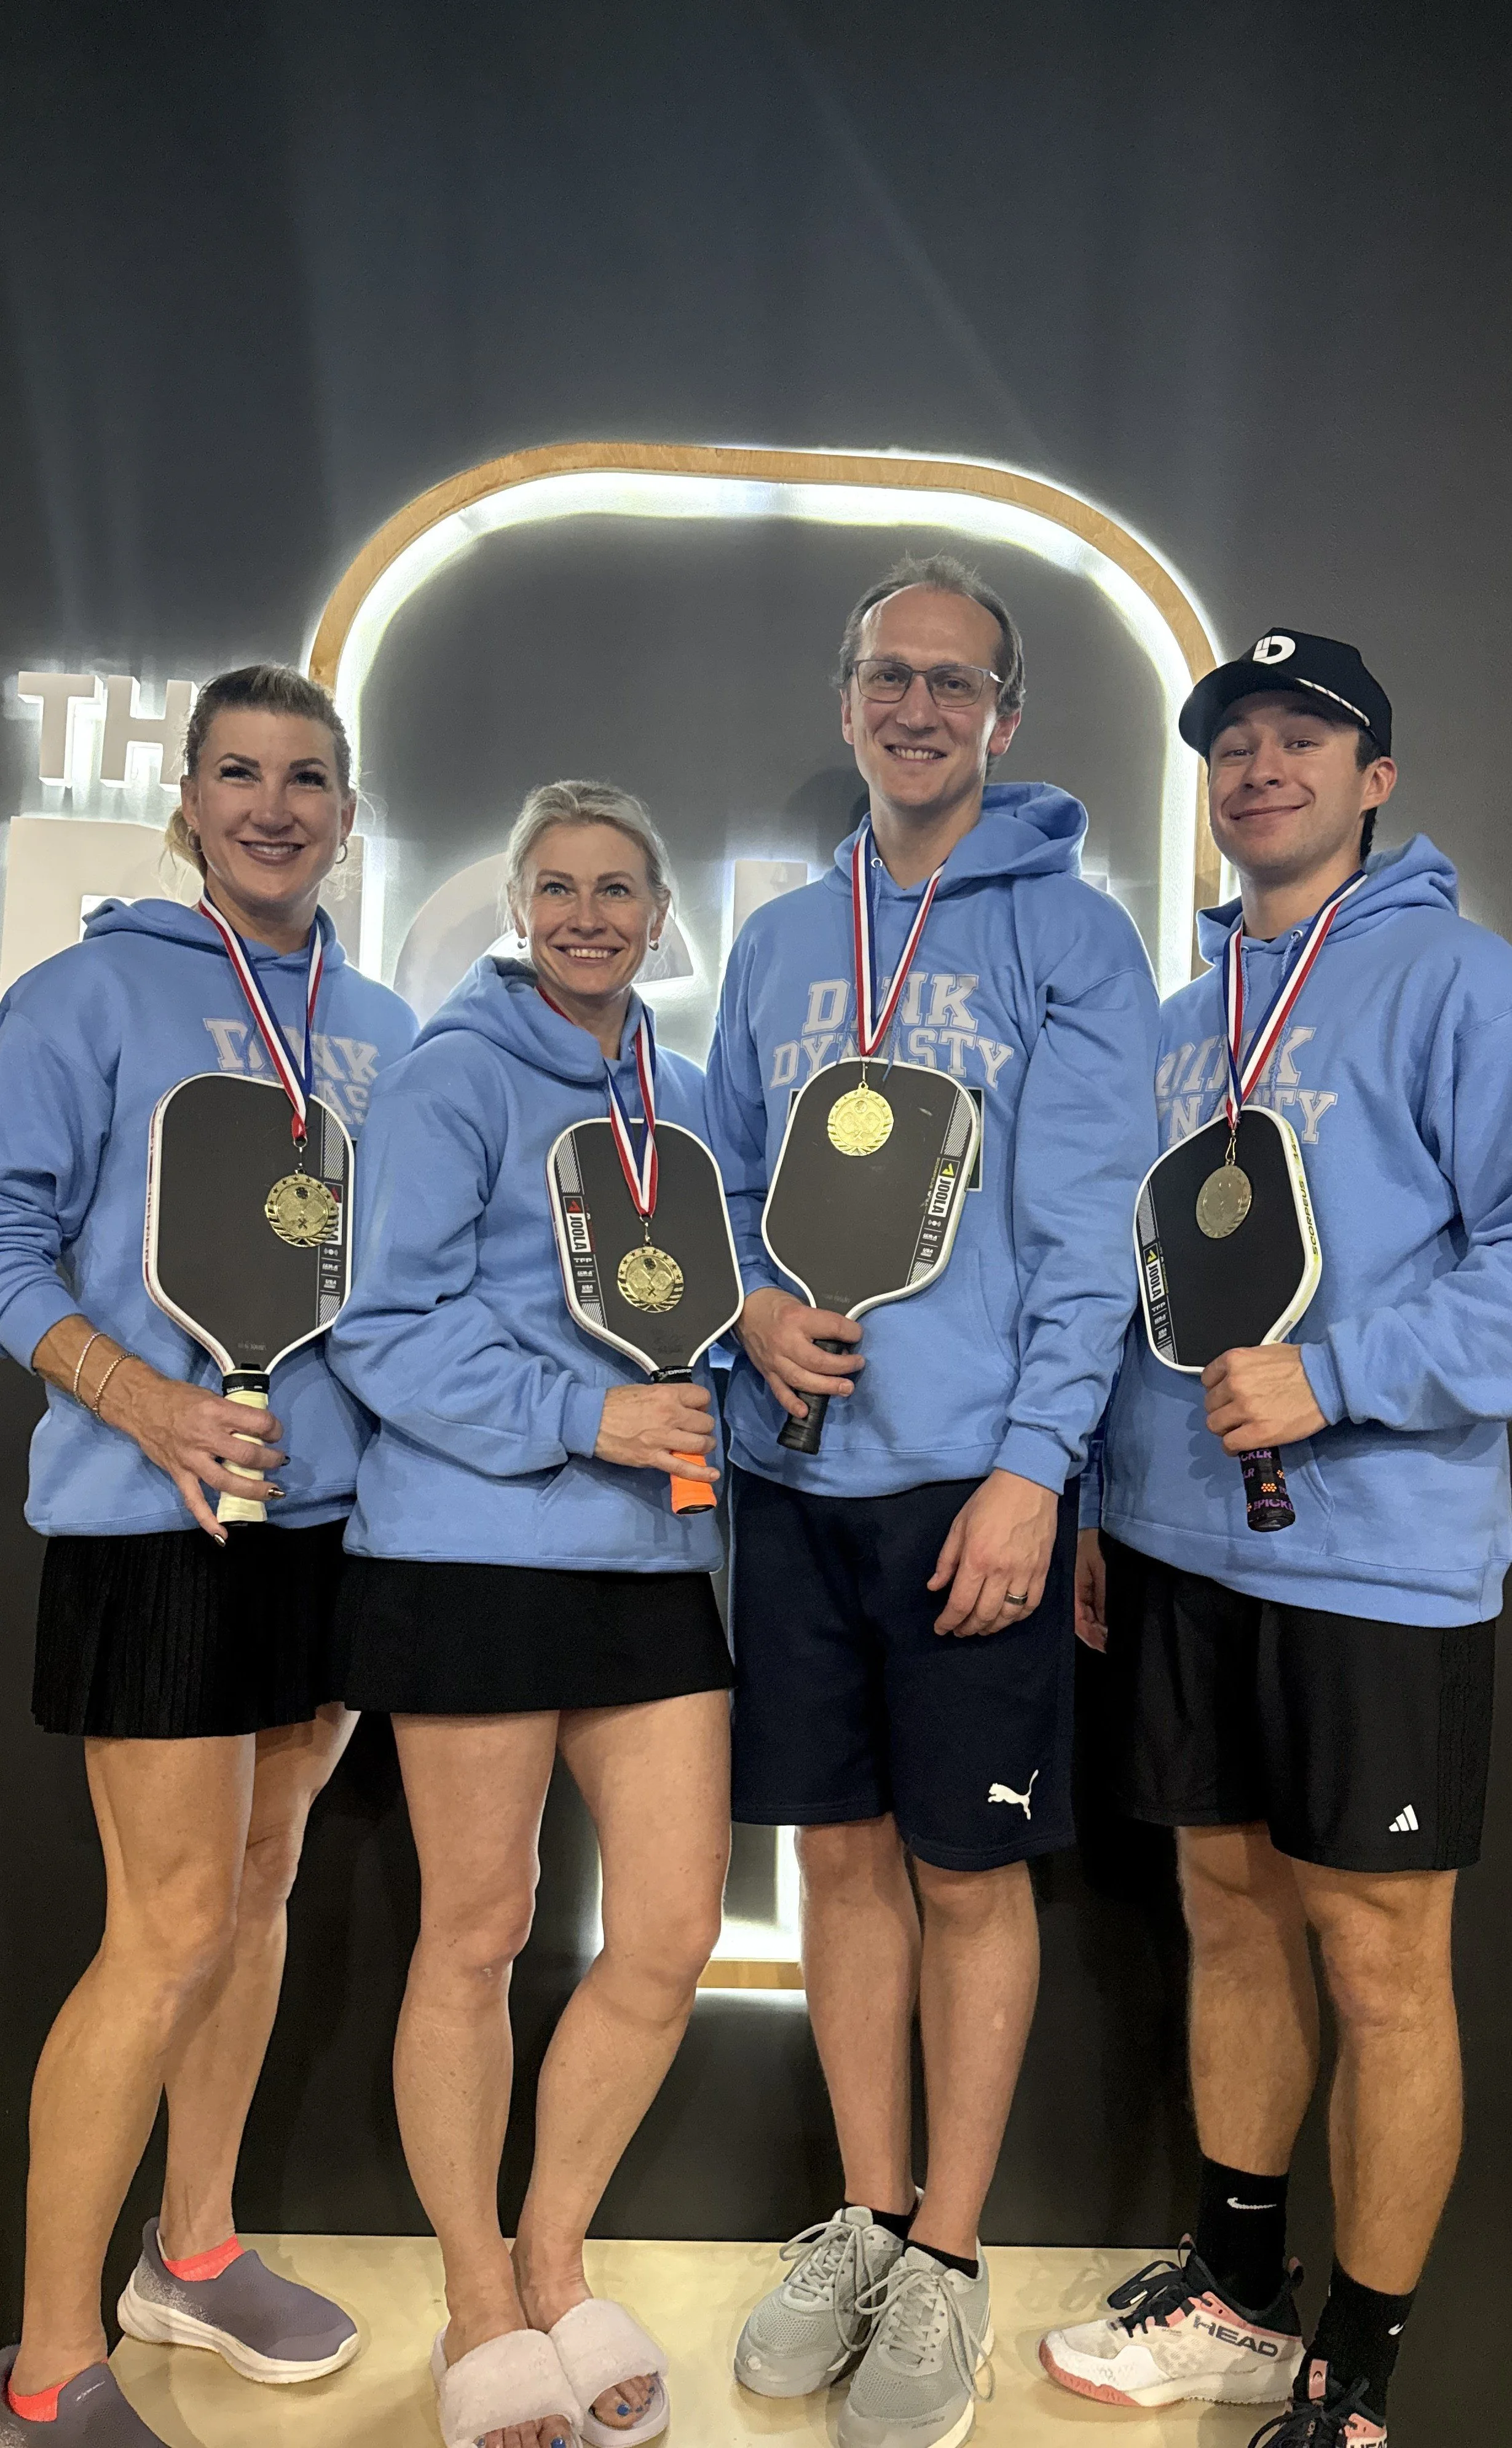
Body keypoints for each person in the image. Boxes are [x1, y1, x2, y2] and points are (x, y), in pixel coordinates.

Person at [704, 555, 1160, 2448]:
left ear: (1003, 716)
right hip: (792, 1478)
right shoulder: (771, 941)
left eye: (951, 681)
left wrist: (1034, 1470)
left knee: (967, 1875)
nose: (915, 705)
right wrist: (746, 1308)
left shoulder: (1075, 937)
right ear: (846, 703)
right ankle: (870, 2216)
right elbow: (719, 1183)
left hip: (972, 1487)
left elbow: (1088, 1234)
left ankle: (952, 2258)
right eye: (888, 675)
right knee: (835, 1860)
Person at [1039, 631, 1510, 2447]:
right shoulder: (1185, 1019)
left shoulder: (1458, 980)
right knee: (1226, 1918)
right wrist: (1104, 1495)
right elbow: (1139, 1284)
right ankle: (1240, 2295)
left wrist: (1341, 1375)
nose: (1261, 766)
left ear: (1374, 778)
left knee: (1380, 1963)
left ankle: (1357, 2373)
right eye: (1234, 741)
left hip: (1376, 1559)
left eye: (1303, 736)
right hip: (1180, 1549)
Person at [0, 665, 415, 2447]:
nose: (272, 805)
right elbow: (5, 1244)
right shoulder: (82, 995)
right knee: (165, 1926)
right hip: (150, 1524)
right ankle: (45, 2363)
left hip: (325, 1526)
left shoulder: (384, 1025)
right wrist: (146, 1405)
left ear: (348, 814)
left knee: (258, 1890)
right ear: (185, 802)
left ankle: (194, 2248)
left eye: (306, 778)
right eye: (238, 773)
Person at [328, 781, 732, 2448]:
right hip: (470, 1553)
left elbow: (695, 1314)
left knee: (671, 1933)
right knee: (479, 1933)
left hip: (650, 1565)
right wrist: (584, 1417)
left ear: (658, 916)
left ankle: (555, 2257)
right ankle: (478, 2299)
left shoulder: (683, 1096)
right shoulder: (451, 1076)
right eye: (556, 887)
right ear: (516, 907)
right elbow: (380, 1324)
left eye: (616, 889)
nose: (586, 916)